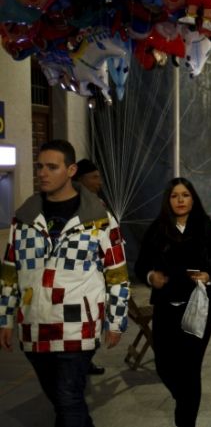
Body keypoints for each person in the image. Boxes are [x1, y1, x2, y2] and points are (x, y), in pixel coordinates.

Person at [0, 139, 130, 427]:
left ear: (71, 170)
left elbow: (117, 275)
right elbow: (10, 273)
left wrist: (116, 321)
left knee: (68, 397)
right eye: (40, 167)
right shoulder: (24, 219)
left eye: (51, 167)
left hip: (78, 325)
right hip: (34, 324)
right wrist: (5, 320)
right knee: (61, 401)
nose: (42, 173)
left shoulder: (99, 219)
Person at [135, 177, 211, 427]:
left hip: (198, 306)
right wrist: (150, 276)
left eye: (185, 195)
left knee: (190, 368)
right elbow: (141, 265)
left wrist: (210, 274)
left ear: (193, 198)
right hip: (166, 308)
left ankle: (186, 420)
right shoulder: (157, 229)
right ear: (168, 200)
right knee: (164, 366)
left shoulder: (206, 228)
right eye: (175, 195)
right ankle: (185, 400)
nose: (180, 200)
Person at [72, 158, 110, 376]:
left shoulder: (98, 204)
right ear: (80, 179)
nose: (100, 182)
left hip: (98, 274)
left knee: (95, 320)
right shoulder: (76, 207)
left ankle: (85, 360)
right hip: (80, 278)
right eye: (94, 177)